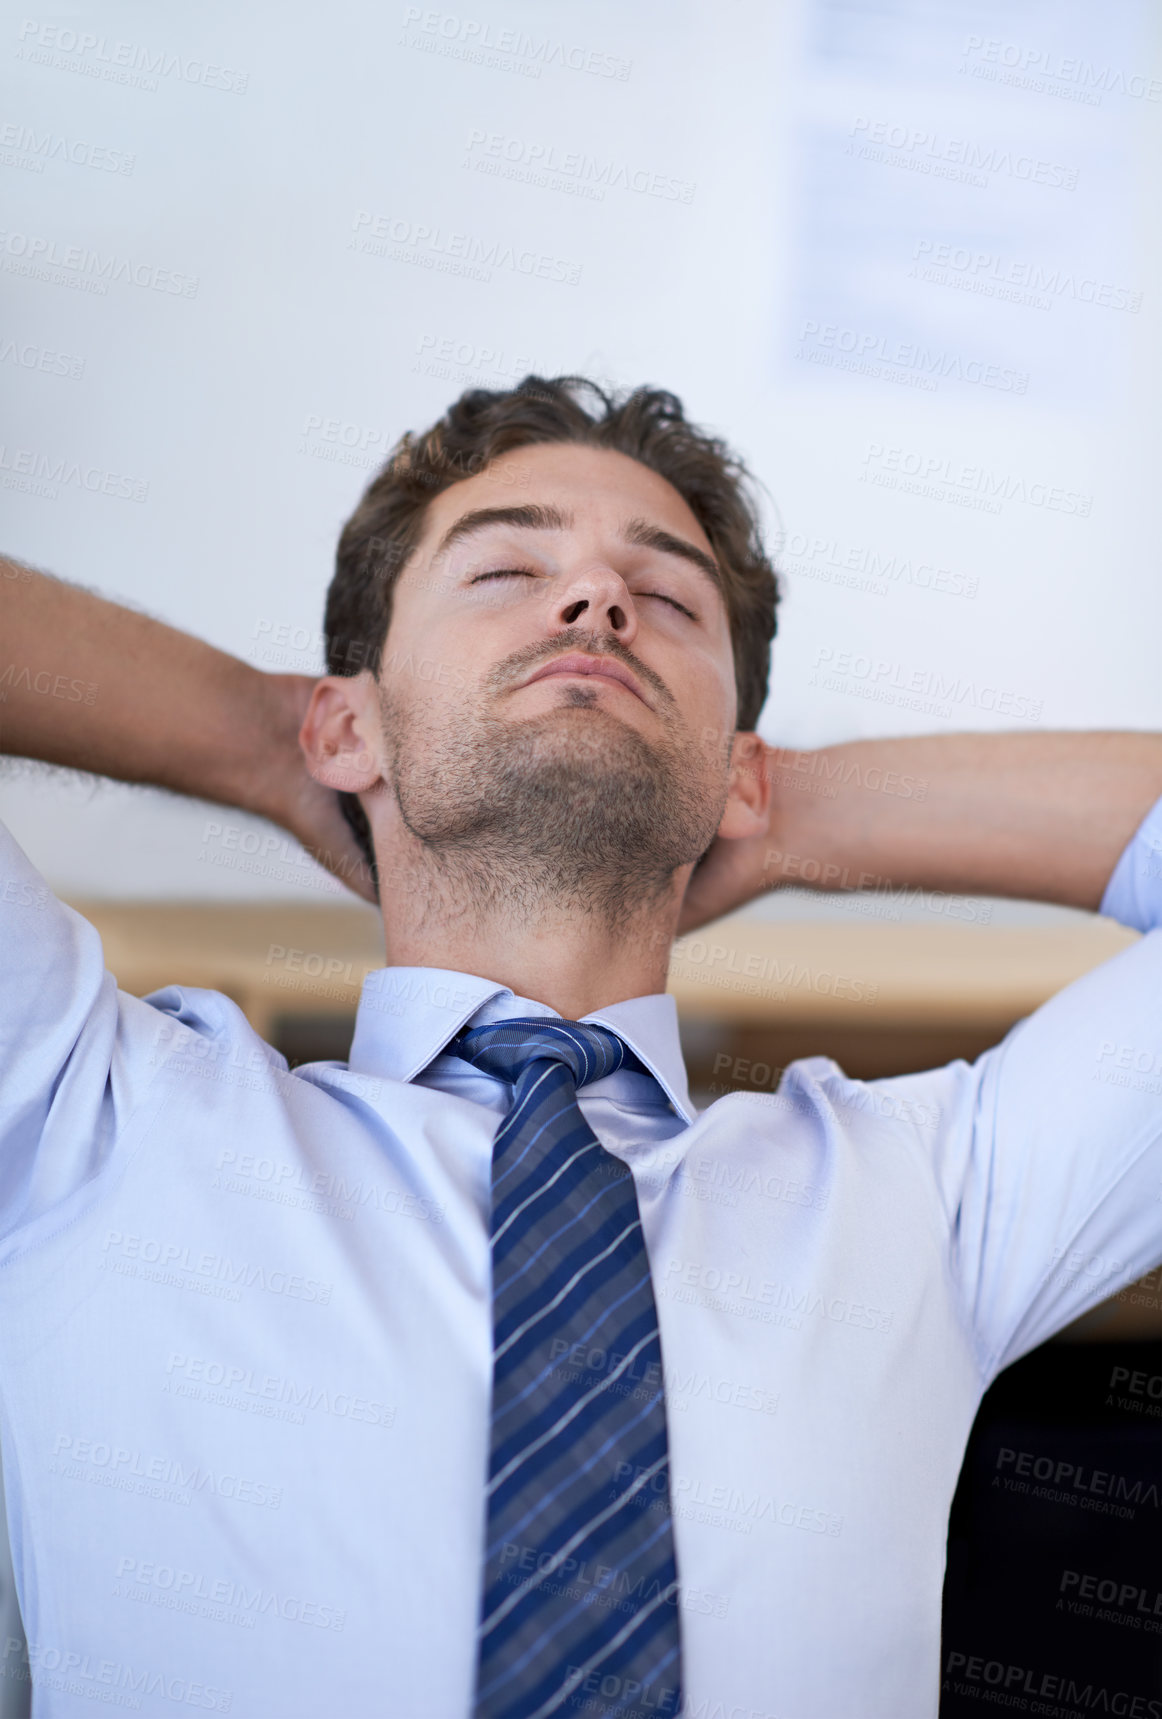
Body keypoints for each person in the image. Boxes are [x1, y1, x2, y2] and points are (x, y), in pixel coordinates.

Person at [0, 376, 1160, 1719]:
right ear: (345, 724)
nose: (594, 603)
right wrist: (258, 742)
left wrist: (782, 806)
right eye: (504, 568)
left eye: (664, 600)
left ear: (733, 763)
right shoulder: (83, 1114)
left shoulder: (929, 1196)